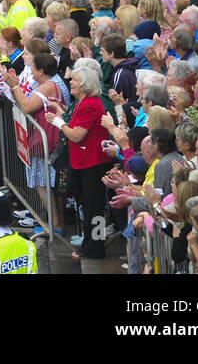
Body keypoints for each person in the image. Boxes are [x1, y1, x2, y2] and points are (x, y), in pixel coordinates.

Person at [44, 65, 110, 260]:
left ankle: (96, 248)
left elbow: (77, 135)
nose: (70, 82)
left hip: (93, 163)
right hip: (83, 162)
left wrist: (57, 122)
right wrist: (61, 111)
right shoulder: (82, 102)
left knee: (94, 208)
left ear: (85, 84)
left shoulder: (90, 104)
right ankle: (90, 244)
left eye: (74, 80)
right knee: (88, 207)